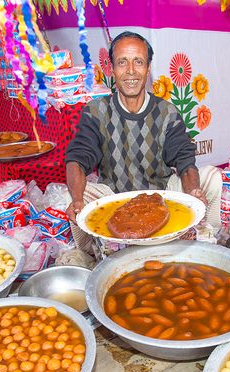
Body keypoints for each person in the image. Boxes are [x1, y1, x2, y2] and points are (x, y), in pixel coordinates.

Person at [65, 31, 221, 250]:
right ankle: (93, 254)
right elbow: (78, 159)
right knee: (71, 196)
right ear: (111, 69)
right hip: (114, 198)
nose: (130, 71)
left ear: (148, 69)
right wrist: (78, 198)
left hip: (162, 193)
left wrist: (193, 191)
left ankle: (206, 238)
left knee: (212, 177)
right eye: (122, 62)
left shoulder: (167, 111)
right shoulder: (95, 112)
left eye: (138, 62)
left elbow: (184, 160)